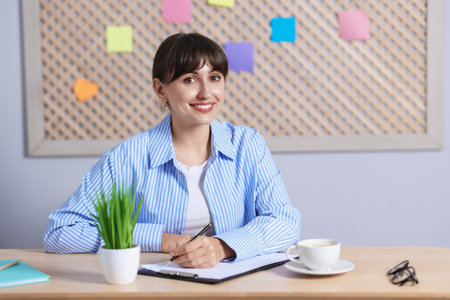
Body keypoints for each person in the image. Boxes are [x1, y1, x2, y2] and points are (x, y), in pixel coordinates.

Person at [44, 32, 301, 268]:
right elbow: (60, 232)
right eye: (189, 79)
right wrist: (161, 239)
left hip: (234, 287)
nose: (206, 93)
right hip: (155, 287)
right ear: (160, 89)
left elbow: (285, 222)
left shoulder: (248, 144)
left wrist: (222, 246)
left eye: (214, 78)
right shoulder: (126, 157)